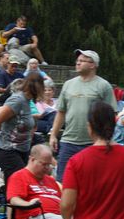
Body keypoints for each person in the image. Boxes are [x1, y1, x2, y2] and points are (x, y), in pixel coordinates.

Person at [50, 49, 117, 181]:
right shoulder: (68, 84)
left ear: (93, 65)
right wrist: (53, 135)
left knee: (92, 181)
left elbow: (112, 115)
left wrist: (107, 139)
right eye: (77, 60)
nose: (78, 63)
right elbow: (61, 112)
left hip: (92, 142)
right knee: (63, 181)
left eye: (82, 61)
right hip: (68, 141)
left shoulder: (104, 86)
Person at [7, 145, 73, 219]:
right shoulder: (19, 176)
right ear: (32, 159)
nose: (47, 168)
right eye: (44, 164)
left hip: (54, 218)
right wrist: (29, 204)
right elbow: (14, 199)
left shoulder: (50, 180)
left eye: (49, 165)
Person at [0, 72, 43, 183]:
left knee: (15, 185)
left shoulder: (27, 101)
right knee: (21, 181)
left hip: (22, 150)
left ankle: (3, 198)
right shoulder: (18, 100)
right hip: (8, 150)